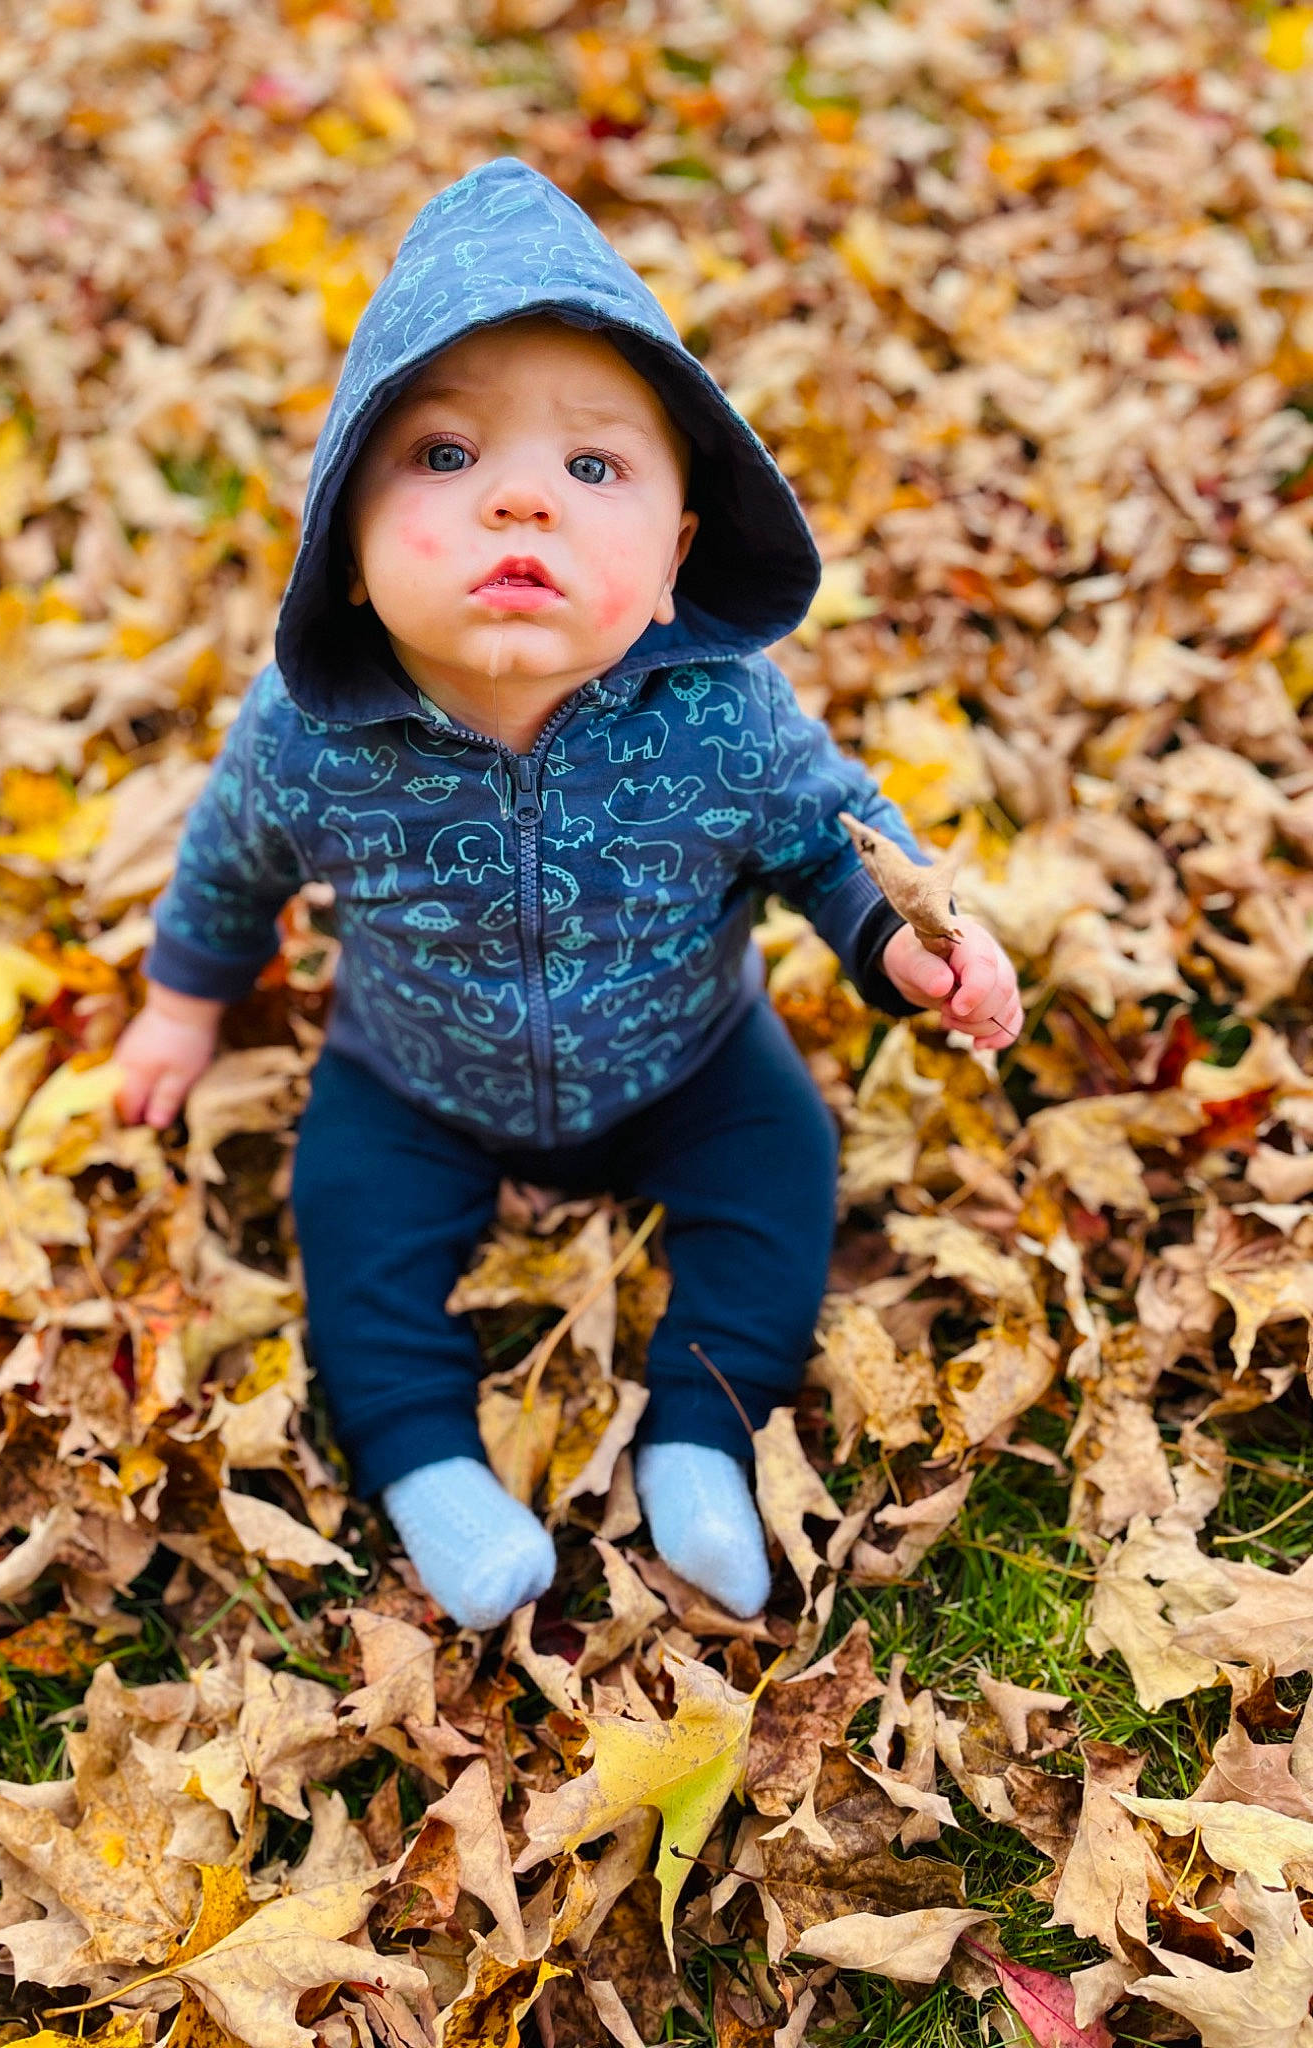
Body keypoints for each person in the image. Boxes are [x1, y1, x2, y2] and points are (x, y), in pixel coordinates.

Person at [114, 158, 1022, 1631]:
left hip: (689, 1057)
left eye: (593, 471)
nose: (522, 496)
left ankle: (701, 1436)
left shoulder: (720, 714)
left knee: (785, 1163)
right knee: (345, 1212)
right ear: (343, 540)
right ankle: (428, 1467)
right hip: (413, 1071)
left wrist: (899, 943)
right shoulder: (312, 740)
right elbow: (230, 865)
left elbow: (828, 834)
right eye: (447, 457)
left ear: (672, 561)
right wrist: (177, 1011)